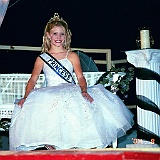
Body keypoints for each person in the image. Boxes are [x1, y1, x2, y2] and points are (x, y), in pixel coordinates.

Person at [9, 13, 134, 151]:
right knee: (47, 103)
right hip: (49, 91)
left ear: (66, 36)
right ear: (48, 35)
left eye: (62, 34)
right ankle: (51, 143)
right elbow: (33, 80)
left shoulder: (72, 55)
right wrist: (26, 97)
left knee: (78, 104)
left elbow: (80, 77)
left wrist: (84, 91)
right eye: (55, 33)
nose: (58, 37)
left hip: (70, 88)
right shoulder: (42, 58)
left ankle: (73, 144)